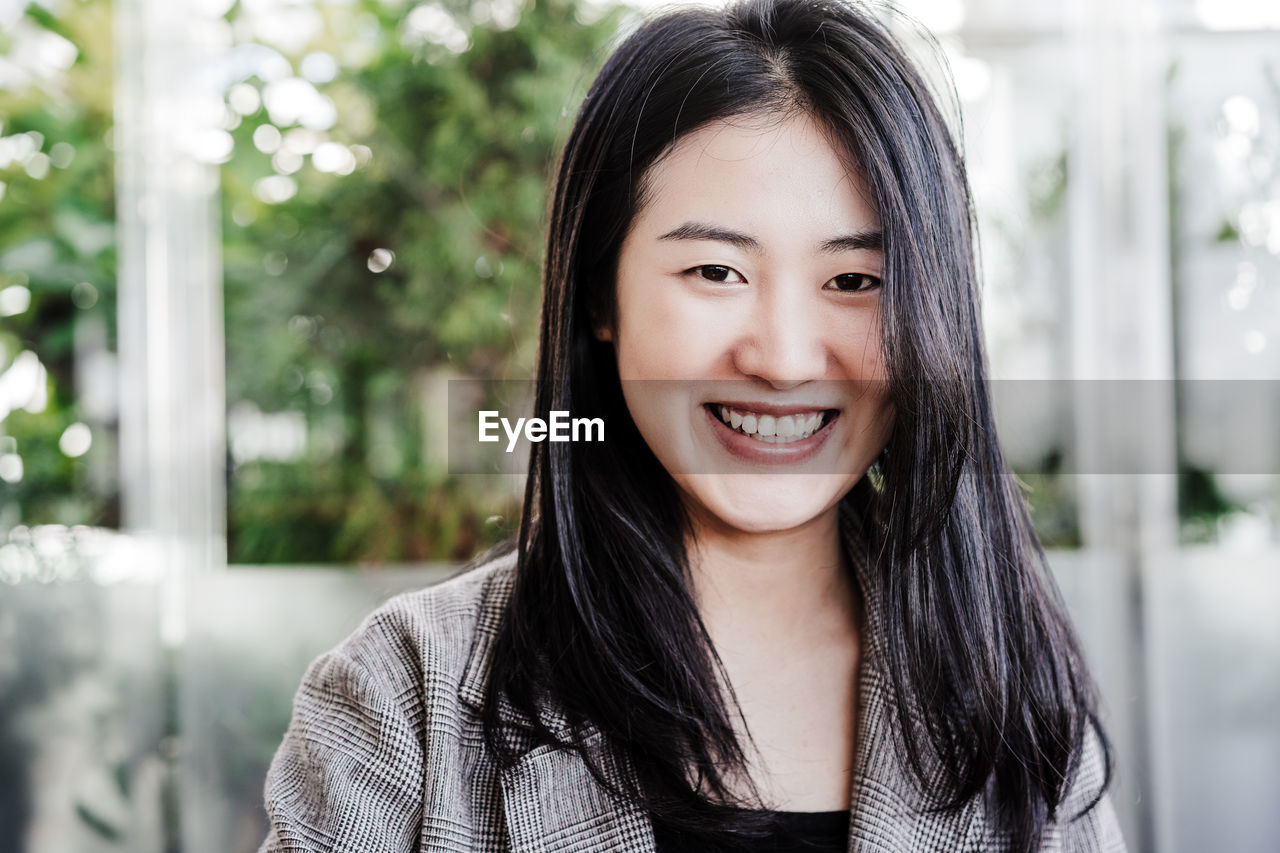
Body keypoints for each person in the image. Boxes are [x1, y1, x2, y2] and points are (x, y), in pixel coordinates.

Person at [259, 0, 1127, 850]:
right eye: (716, 270)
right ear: (602, 295)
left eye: (855, 279)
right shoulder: (401, 699)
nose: (784, 360)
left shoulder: (1009, 692)